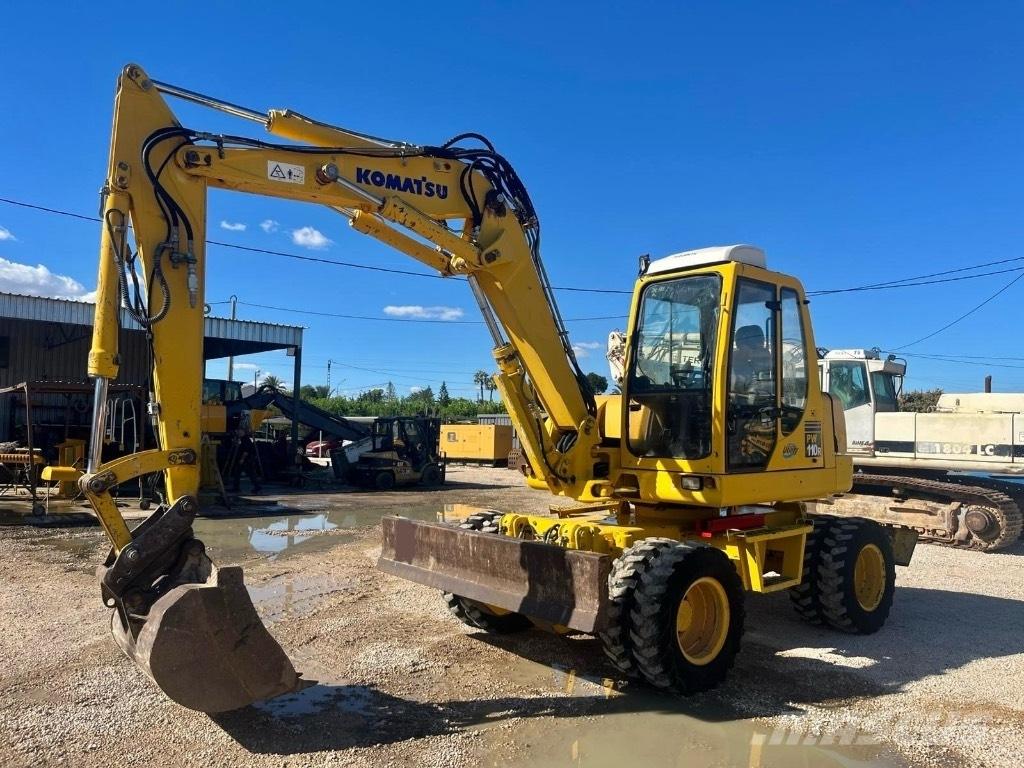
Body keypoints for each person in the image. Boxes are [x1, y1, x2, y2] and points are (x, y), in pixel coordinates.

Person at [730, 325, 773, 400]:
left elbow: (768, 380)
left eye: (760, 346)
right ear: (740, 345)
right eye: (754, 347)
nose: (755, 352)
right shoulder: (729, 360)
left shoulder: (763, 356)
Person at [229, 427, 263, 494]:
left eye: (239, 431)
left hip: (247, 460)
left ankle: (257, 487)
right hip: (245, 460)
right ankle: (236, 487)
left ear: (242, 431)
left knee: (250, 474)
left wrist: (242, 459)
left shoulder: (245, 440)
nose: (238, 432)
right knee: (238, 473)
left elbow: (246, 451)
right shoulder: (242, 439)